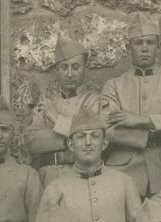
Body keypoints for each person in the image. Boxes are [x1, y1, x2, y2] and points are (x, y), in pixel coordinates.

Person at [40, 109, 141, 222]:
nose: (88, 142)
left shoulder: (124, 181)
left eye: (94, 136)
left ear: (104, 144)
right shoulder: (56, 187)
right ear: (71, 145)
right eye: (81, 137)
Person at [102, 16, 161, 198]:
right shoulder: (114, 85)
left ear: (158, 47)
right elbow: (108, 129)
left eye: (150, 42)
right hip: (124, 169)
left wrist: (142, 120)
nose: (144, 48)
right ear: (129, 48)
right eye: (138, 43)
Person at [24, 38, 103, 187]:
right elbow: (32, 142)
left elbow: (92, 138)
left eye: (75, 67)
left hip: (80, 176)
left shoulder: (93, 101)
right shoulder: (47, 103)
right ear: (56, 70)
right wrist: (71, 139)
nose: (70, 73)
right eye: (64, 67)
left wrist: (54, 117)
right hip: (47, 176)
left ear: (84, 68)